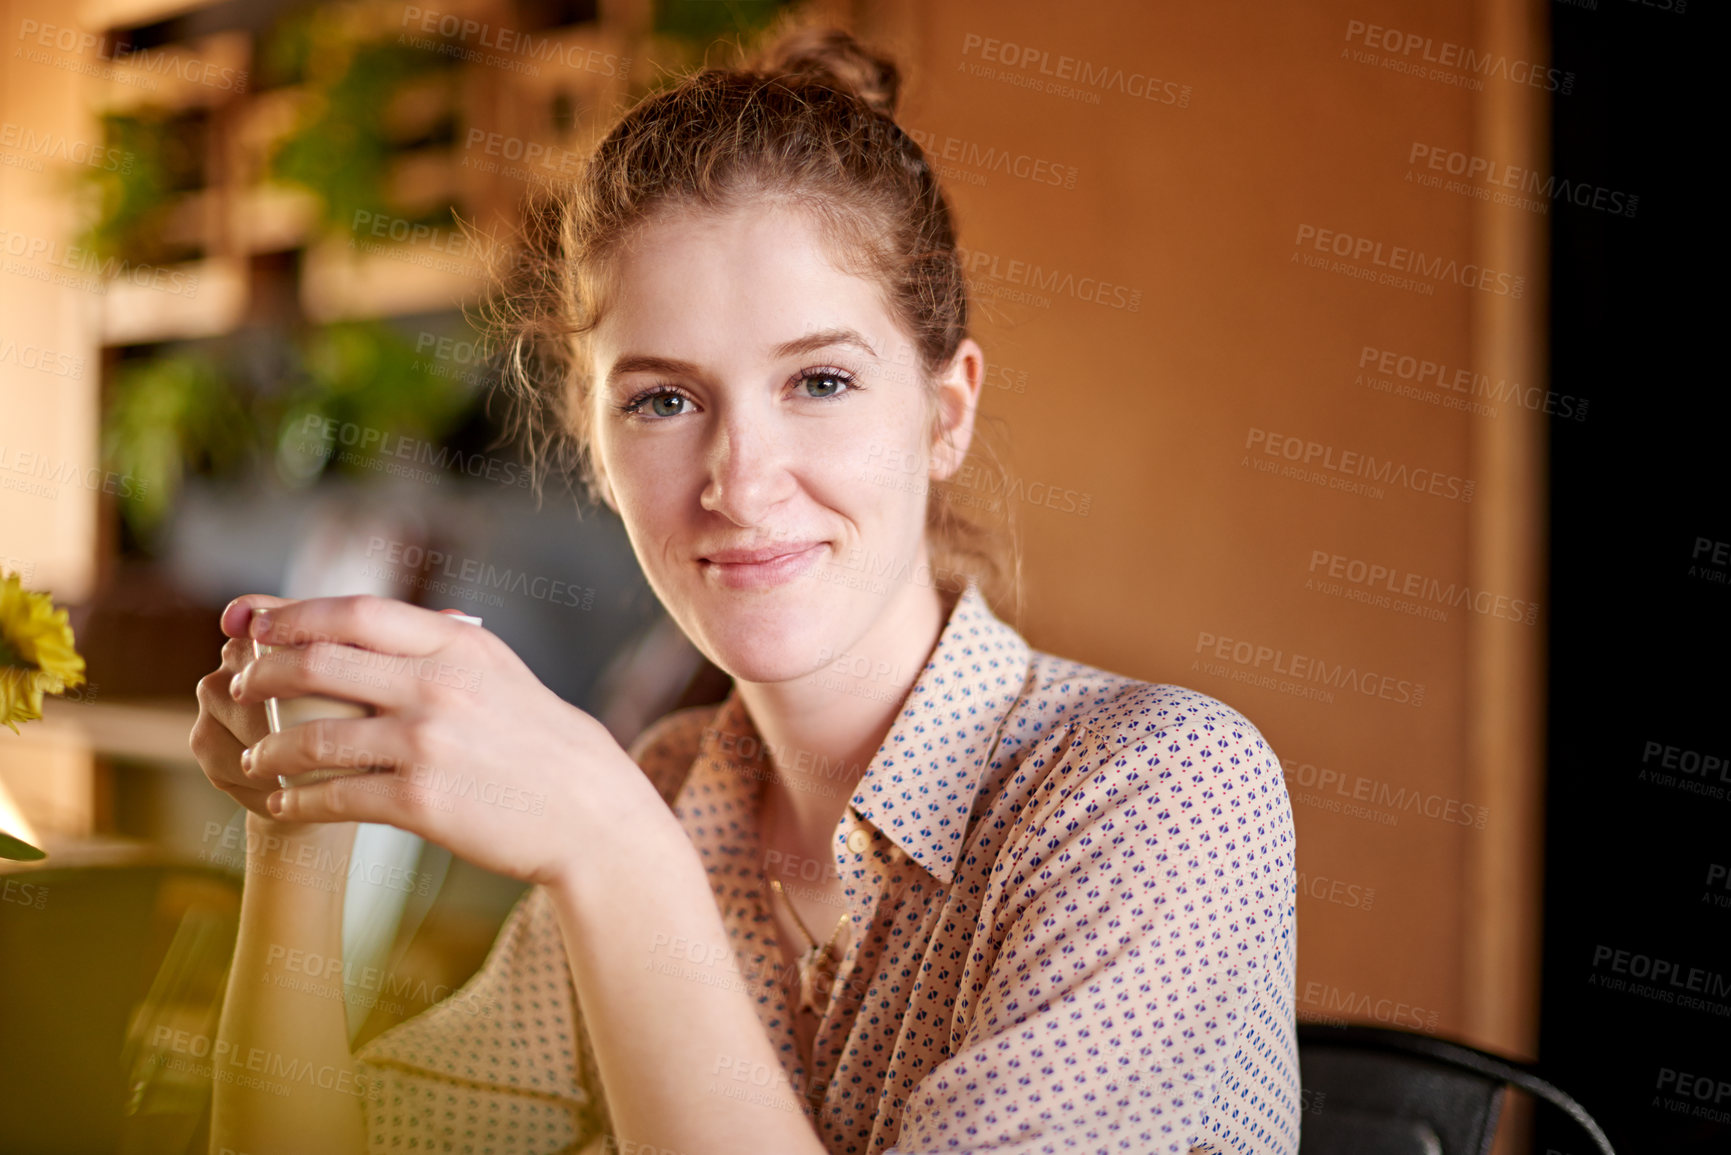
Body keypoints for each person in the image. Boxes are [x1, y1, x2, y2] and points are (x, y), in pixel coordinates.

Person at [189, 24, 1300, 1155]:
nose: (741, 483)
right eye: (664, 401)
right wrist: (299, 817)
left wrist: (617, 854)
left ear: (946, 412)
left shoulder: (1162, 793)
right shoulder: (667, 789)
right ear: (594, 444)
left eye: (820, 381)